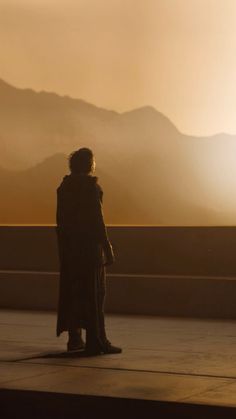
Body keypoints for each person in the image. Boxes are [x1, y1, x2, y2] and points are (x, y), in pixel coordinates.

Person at [56, 147, 122, 355]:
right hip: (89, 250)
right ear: (89, 164)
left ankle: (74, 339)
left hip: (70, 249)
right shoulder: (91, 188)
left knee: (73, 291)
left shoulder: (63, 188)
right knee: (95, 293)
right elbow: (97, 221)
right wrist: (107, 247)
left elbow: (60, 221)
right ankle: (97, 340)